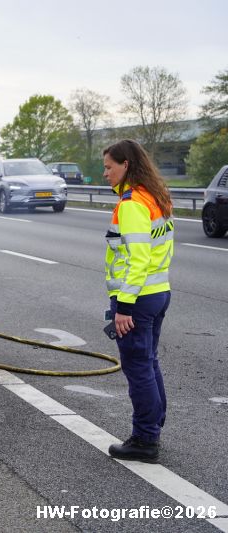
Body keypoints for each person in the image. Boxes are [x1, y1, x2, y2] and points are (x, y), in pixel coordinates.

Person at [102, 139, 174, 463]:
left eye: (109, 166)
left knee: (138, 367)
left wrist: (124, 307)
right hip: (159, 292)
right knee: (150, 362)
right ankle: (153, 425)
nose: (105, 173)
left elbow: (137, 258)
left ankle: (145, 440)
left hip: (139, 298)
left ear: (125, 165)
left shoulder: (131, 204)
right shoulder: (153, 196)